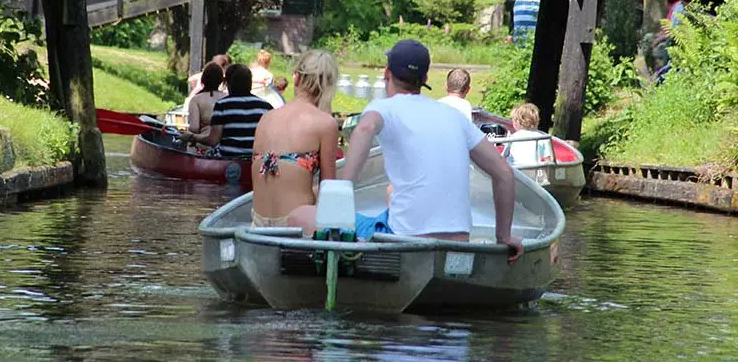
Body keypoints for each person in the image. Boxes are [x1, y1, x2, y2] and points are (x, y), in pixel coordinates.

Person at [342, 39, 523, 264]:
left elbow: (366, 127)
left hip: (405, 240)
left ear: (386, 73)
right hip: (458, 243)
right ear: (425, 79)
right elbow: (504, 174)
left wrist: (341, 191)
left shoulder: (383, 108)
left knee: (304, 216)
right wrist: (503, 236)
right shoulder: (455, 117)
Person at [250, 50, 339, 231]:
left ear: (297, 78)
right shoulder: (325, 123)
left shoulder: (266, 118)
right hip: (295, 227)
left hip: (257, 224)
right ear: (329, 84)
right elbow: (329, 190)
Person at [204, 64, 273, 158]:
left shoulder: (222, 105)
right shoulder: (266, 106)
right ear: (250, 83)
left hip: (227, 160)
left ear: (228, 83)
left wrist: (192, 137)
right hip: (254, 161)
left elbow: (213, 140)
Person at [179, 62, 226, 146]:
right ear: (221, 80)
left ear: (203, 79)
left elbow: (194, 128)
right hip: (224, 146)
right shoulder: (228, 98)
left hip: (204, 145)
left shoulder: (196, 100)